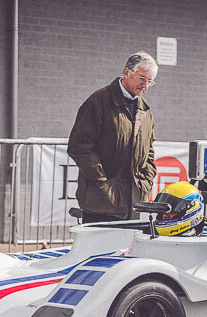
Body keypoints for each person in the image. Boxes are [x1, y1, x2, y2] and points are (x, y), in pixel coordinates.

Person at [67, 52, 158, 223]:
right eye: (142, 78)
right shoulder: (98, 102)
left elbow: (149, 150)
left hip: (135, 202)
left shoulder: (145, 110)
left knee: (128, 249)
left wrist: (147, 178)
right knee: (99, 250)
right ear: (126, 72)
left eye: (150, 82)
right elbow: (79, 145)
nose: (145, 85)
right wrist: (101, 179)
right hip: (102, 202)